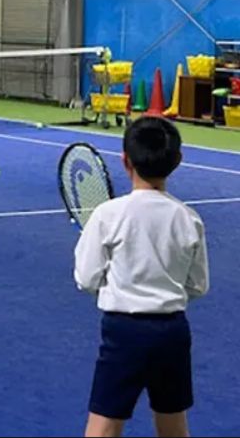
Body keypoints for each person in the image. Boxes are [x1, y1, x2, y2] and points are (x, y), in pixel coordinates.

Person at [75, 117, 209, 438]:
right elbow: (198, 285)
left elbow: (86, 278)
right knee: (173, 425)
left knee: (103, 427)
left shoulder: (107, 215)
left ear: (126, 160)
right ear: (177, 161)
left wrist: (115, 287)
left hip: (124, 333)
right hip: (172, 333)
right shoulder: (189, 219)